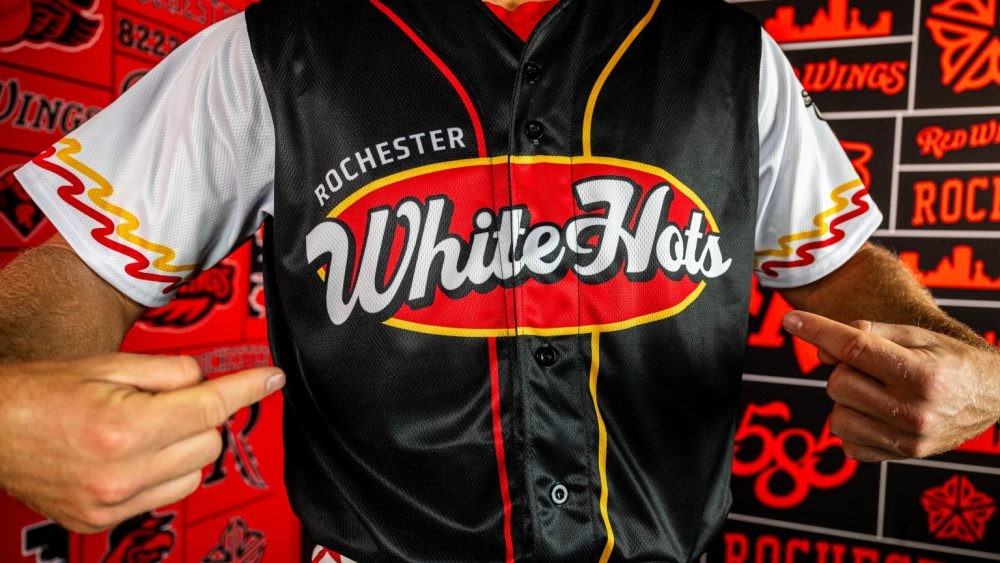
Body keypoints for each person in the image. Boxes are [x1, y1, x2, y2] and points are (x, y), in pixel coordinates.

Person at [1, 0, 998, 560]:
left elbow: (839, 267)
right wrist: (14, 398)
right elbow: (78, 271)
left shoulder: (730, 53)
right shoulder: (273, 45)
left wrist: (961, 360)